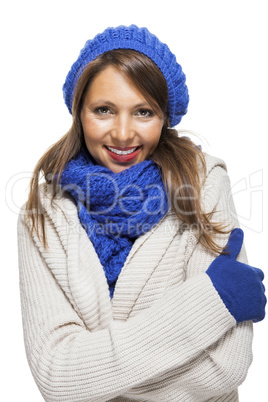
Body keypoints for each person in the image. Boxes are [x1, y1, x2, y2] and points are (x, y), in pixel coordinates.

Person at [18, 25, 266, 402]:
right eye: (104, 110)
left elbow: (225, 367)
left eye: (143, 112)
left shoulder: (203, 185)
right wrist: (212, 301)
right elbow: (57, 378)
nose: (122, 133)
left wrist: (96, 376)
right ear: (78, 112)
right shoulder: (43, 215)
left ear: (165, 117)